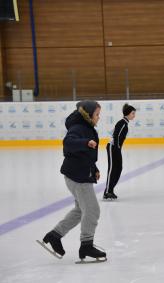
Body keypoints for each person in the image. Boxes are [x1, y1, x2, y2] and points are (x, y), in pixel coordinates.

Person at [37, 100, 107, 263]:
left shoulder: (86, 127)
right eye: (97, 114)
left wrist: (94, 168)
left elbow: (85, 154)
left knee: (80, 210)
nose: (99, 118)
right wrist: (85, 142)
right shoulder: (79, 128)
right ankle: (86, 245)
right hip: (78, 177)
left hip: (77, 174)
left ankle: (54, 235)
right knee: (92, 210)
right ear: (88, 115)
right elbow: (68, 143)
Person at [103, 103, 136, 200]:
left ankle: (110, 189)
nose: (134, 115)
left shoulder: (125, 123)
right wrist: (117, 149)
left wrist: (118, 149)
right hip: (112, 147)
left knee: (118, 168)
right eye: (133, 113)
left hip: (116, 148)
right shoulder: (122, 123)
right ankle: (107, 192)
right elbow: (116, 136)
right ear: (128, 113)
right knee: (112, 169)